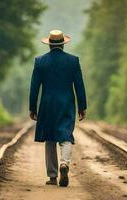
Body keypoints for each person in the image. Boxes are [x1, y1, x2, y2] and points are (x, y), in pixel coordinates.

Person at [29, 30, 87, 187]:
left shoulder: (40, 61)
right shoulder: (73, 61)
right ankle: (64, 163)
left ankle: (53, 176)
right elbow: (79, 86)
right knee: (66, 135)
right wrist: (82, 106)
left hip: (47, 104)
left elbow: (34, 87)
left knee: (50, 138)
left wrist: (32, 107)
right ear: (62, 44)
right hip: (66, 103)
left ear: (49, 45)